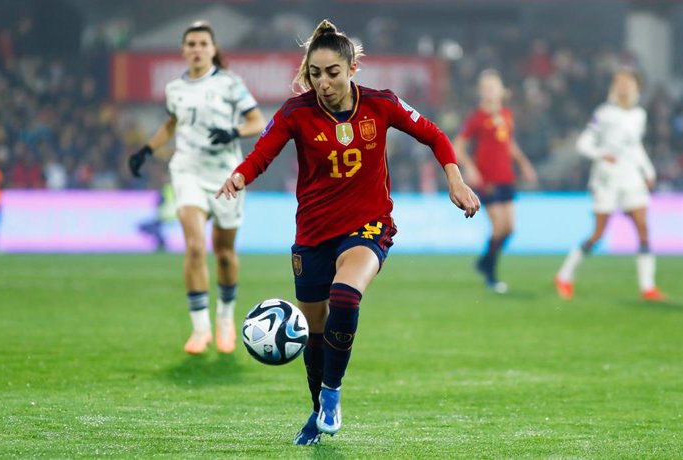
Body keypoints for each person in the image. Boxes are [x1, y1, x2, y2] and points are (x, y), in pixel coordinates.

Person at [217, 19, 480, 445]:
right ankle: (317, 409)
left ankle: (333, 395)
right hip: (313, 235)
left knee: (345, 294)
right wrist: (240, 176)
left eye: (333, 73)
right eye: (316, 73)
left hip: (368, 225)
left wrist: (455, 179)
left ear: (352, 68)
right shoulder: (296, 112)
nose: (324, 82)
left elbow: (434, 135)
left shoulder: (381, 104)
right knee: (314, 335)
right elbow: (263, 152)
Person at [128, 21, 266, 354]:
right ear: (184, 50)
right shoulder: (175, 88)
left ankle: (225, 319)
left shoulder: (231, 84)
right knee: (193, 247)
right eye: (190, 43)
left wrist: (234, 133)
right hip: (187, 171)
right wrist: (147, 150)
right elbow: (172, 123)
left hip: (224, 176)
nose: (196, 49)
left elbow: (257, 121)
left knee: (225, 254)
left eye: (202, 43)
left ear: (213, 49)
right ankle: (200, 328)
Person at [555, 67, 667, 301]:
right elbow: (583, 142)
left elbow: (635, 147)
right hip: (607, 178)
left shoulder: (639, 115)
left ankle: (648, 287)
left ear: (635, 87)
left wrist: (648, 170)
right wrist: (600, 154)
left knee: (643, 230)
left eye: (627, 82)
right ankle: (564, 276)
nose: (623, 86)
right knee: (598, 234)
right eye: (619, 82)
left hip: (631, 178)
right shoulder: (603, 113)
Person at [452, 69, 537, 293]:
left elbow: (509, 144)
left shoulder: (507, 115)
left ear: (502, 91)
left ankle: (485, 261)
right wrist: (470, 168)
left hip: (506, 177)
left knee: (509, 229)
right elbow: (457, 146)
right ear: (481, 92)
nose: (490, 91)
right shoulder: (477, 118)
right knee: (499, 227)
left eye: (493, 86)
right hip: (487, 180)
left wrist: (524, 163)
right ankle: (491, 273)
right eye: (486, 87)